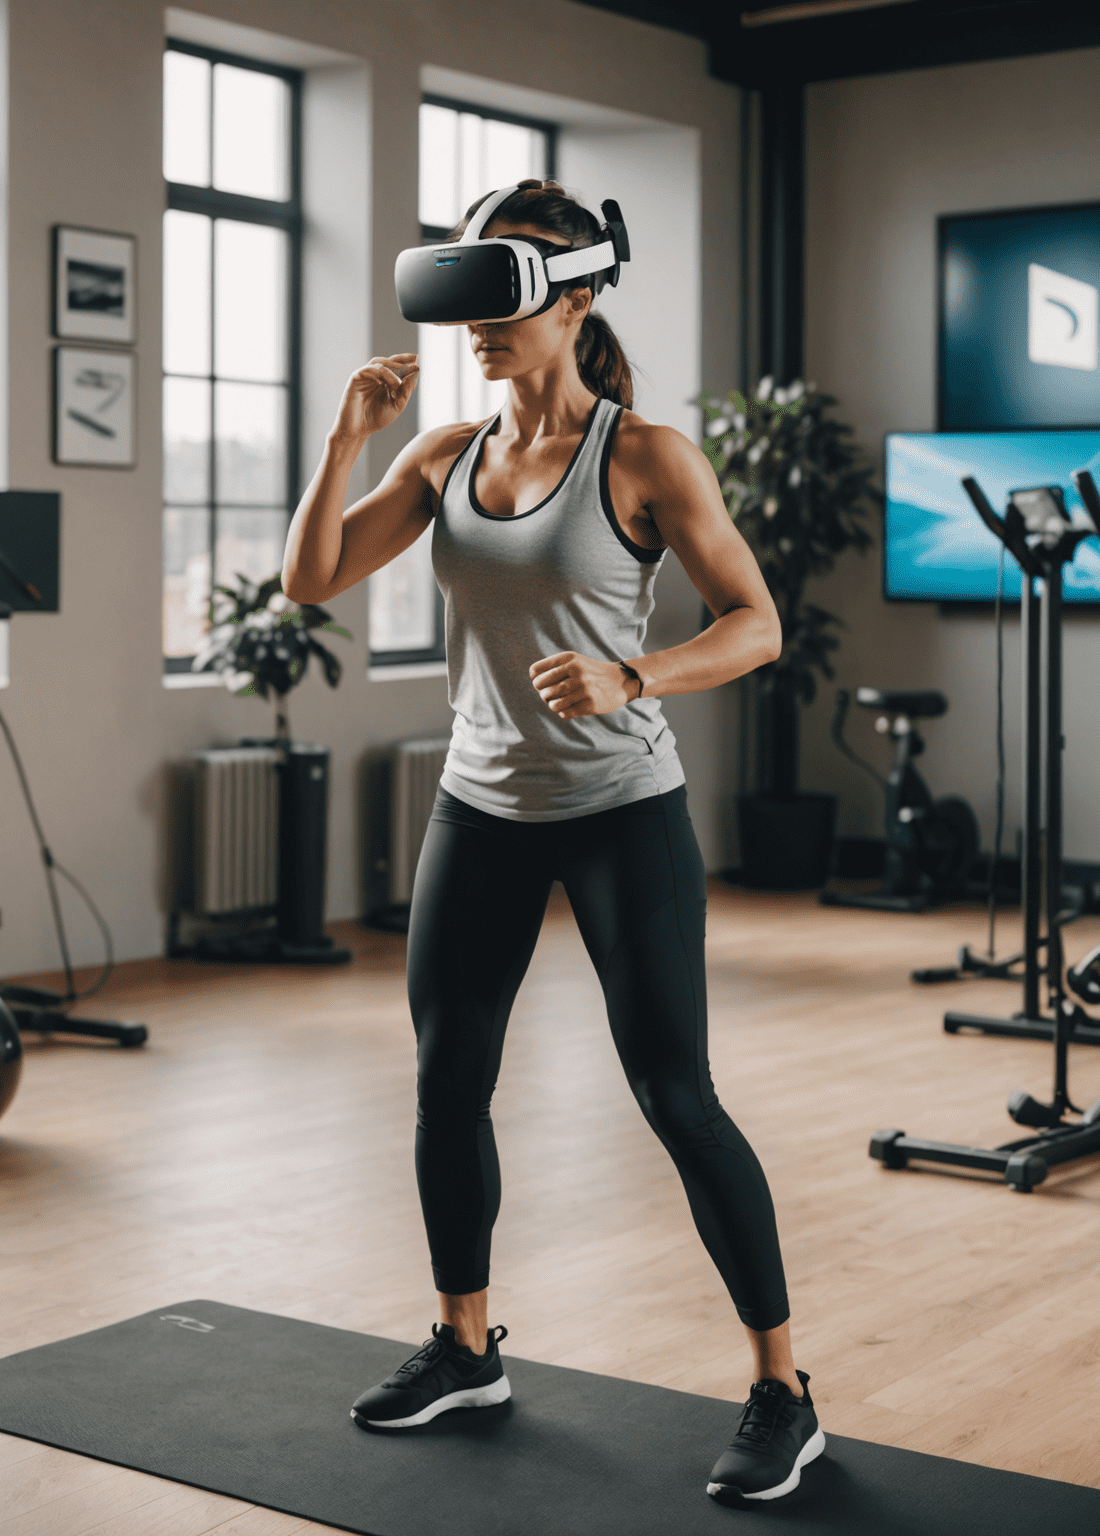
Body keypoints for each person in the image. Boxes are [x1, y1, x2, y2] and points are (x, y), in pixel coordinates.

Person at [281, 179, 822, 1505]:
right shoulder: (444, 454)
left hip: (622, 813)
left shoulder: (646, 458)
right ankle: (466, 1348)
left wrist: (638, 674)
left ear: (576, 303)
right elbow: (310, 582)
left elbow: (758, 624)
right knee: (445, 1084)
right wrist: (349, 436)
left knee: (672, 1095)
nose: (477, 323)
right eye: (465, 291)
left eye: (505, 294)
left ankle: (781, 1389)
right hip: (481, 809)